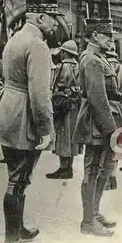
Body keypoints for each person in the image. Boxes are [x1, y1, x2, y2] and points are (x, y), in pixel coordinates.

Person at [0, 0, 60, 243]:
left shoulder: (14, 39)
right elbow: (40, 94)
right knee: (19, 179)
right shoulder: (38, 46)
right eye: (52, 19)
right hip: (24, 117)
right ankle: (12, 236)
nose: (55, 25)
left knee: (15, 175)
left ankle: (18, 229)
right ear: (40, 17)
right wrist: (46, 129)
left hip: (8, 112)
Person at [72, 18, 121, 237]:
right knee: (92, 170)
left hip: (104, 121)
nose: (112, 39)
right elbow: (97, 98)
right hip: (96, 123)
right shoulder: (91, 59)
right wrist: (111, 129)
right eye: (107, 35)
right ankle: (88, 220)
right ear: (94, 36)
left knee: (104, 168)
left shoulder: (100, 58)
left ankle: (94, 212)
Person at [46, 40, 83, 179]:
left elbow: (57, 84)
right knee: (72, 136)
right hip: (75, 105)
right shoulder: (78, 66)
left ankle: (62, 168)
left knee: (62, 135)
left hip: (63, 104)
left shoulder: (62, 67)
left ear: (65, 52)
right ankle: (69, 168)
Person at [103, 49, 122, 190]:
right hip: (120, 110)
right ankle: (113, 177)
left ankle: (106, 179)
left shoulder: (103, 66)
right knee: (116, 144)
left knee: (105, 146)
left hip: (107, 109)